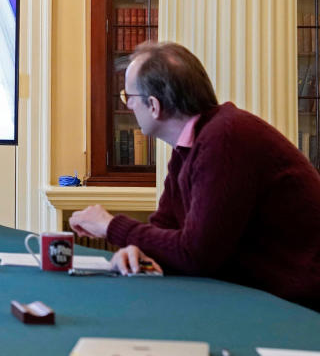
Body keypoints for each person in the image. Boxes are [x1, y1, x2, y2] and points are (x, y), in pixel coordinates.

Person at [69, 41, 320, 312]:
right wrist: (138, 252)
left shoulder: (226, 139)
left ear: (153, 105)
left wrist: (110, 226)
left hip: (299, 308)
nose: (128, 105)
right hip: (262, 299)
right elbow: (165, 230)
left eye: (128, 96)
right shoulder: (190, 147)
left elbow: (197, 255)